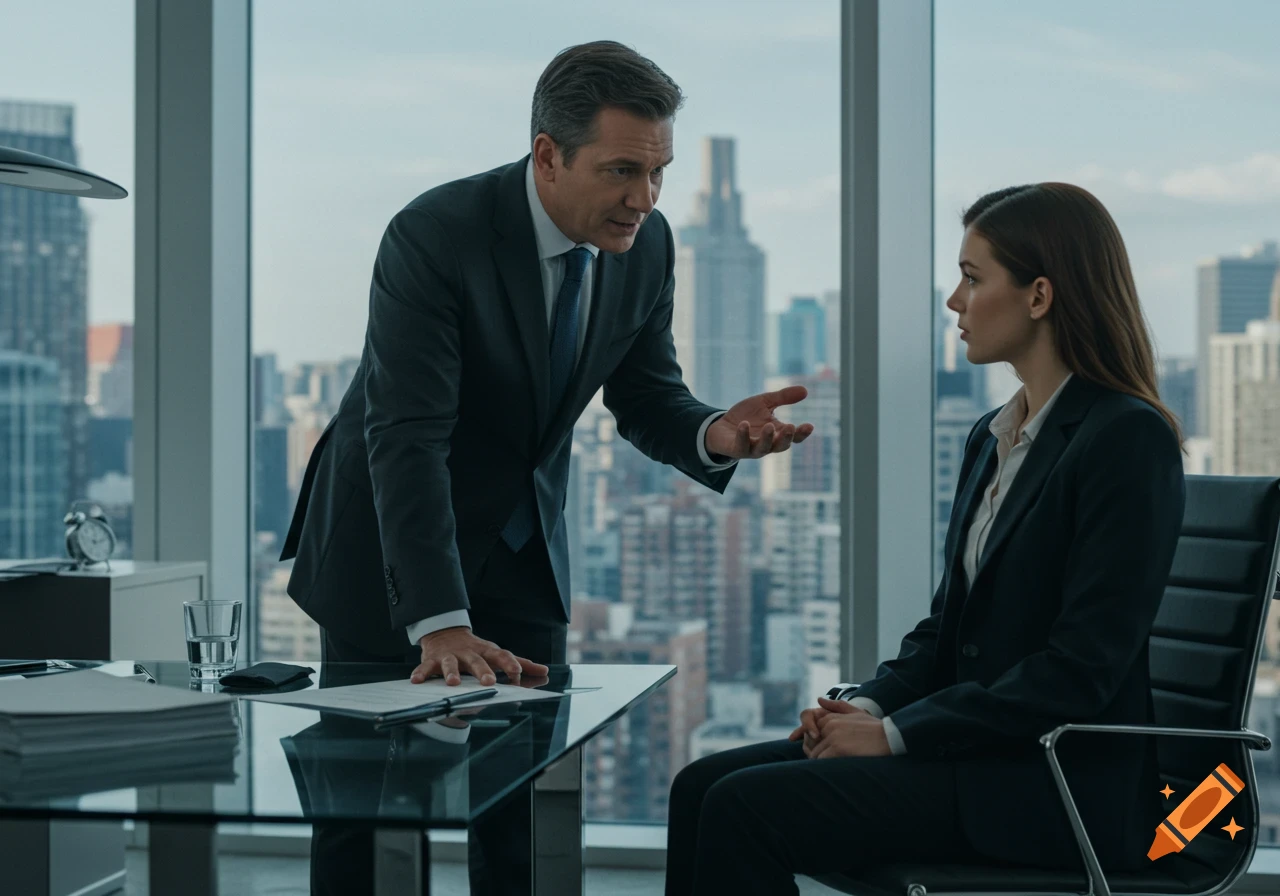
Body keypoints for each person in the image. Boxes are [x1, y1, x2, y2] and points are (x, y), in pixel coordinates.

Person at [279, 40, 813, 896]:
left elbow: (645, 397)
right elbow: (407, 437)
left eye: (659, 172)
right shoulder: (435, 234)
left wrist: (716, 435)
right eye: (622, 171)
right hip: (395, 552)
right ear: (548, 156)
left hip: (525, 553)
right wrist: (439, 621)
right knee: (373, 826)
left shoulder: (649, 243)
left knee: (522, 817)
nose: (644, 199)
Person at [665, 183, 1187, 896]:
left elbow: (1081, 670)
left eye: (973, 279)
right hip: (978, 760)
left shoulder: (1126, 437)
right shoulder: (995, 435)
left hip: (1058, 787)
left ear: (1040, 296)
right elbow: (950, 632)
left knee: (741, 807)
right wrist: (871, 708)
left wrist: (893, 738)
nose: (955, 302)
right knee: (701, 784)